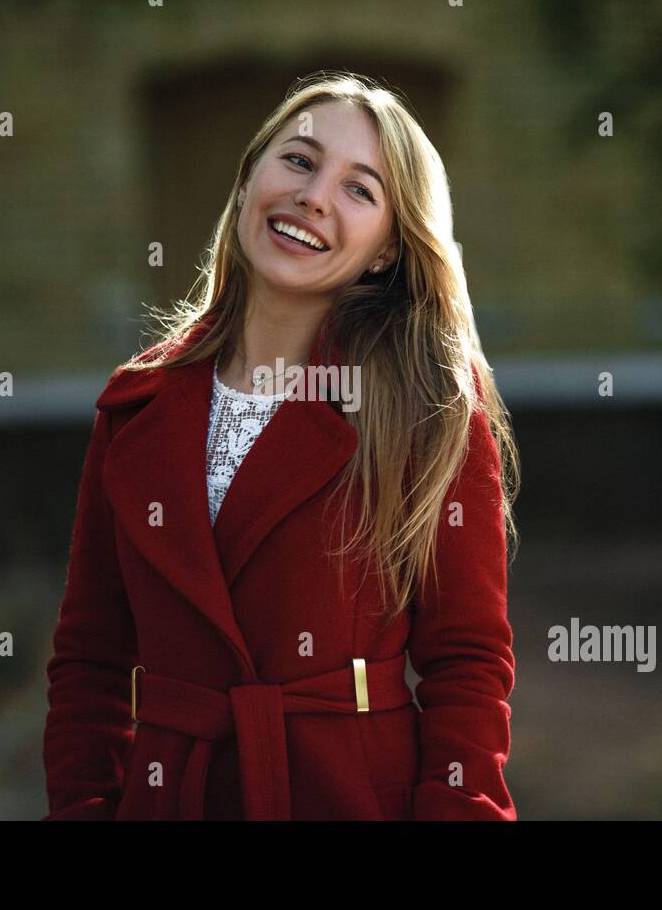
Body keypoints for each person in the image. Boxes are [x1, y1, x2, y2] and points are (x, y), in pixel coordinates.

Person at [42, 71, 521, 820]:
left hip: (348, 795)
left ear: (387, 251)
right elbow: (90, 661)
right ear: (246, 184)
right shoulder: (135, 404)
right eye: (298, 161)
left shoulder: (425, 408)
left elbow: (468, 667)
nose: (314, 195)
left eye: (360, 189)